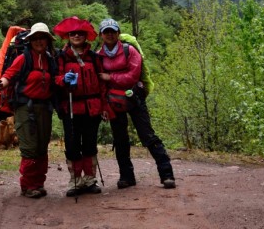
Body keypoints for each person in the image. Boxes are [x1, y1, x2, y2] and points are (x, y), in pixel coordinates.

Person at [97, 18, 176, 189]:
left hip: (135, 98)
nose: (109, 34)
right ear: (101, 35)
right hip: (113, 102)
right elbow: (100, 84)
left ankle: (166, 175)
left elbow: (132, 76)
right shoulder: (99, 56)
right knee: (120, 139)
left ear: (118, 33)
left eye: (112, 31)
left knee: (147, 135)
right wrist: (103, 105)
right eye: (106, 32)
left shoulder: (130, 51)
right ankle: (126, 177)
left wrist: (110, 77)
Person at [0, 22, 57, 198]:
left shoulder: (50, 59)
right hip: (24, 107)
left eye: (42, 38)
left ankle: (38, 183)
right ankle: (28, 185)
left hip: (45, 108)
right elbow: (9, 75)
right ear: (30, 41)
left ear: (47, 40)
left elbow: (55, 80)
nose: (38, 41)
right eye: (35, 38)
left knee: (42, 147)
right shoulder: (24, 58)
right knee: (29, 148)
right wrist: (1, 84)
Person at [53, 16, 114, 197]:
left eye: (80, 33)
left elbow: (102, 85)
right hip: (70, 108)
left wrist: (104, 106)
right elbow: (55, 79)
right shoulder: (62, 57)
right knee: (72, 146)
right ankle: (75, 181)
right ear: (68, 36)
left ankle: (89, 179)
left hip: (92, 108)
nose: (77, 36)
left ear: (86, 36)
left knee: (89, 144)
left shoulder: (94, 58)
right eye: (73, 33)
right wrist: (63, 80)